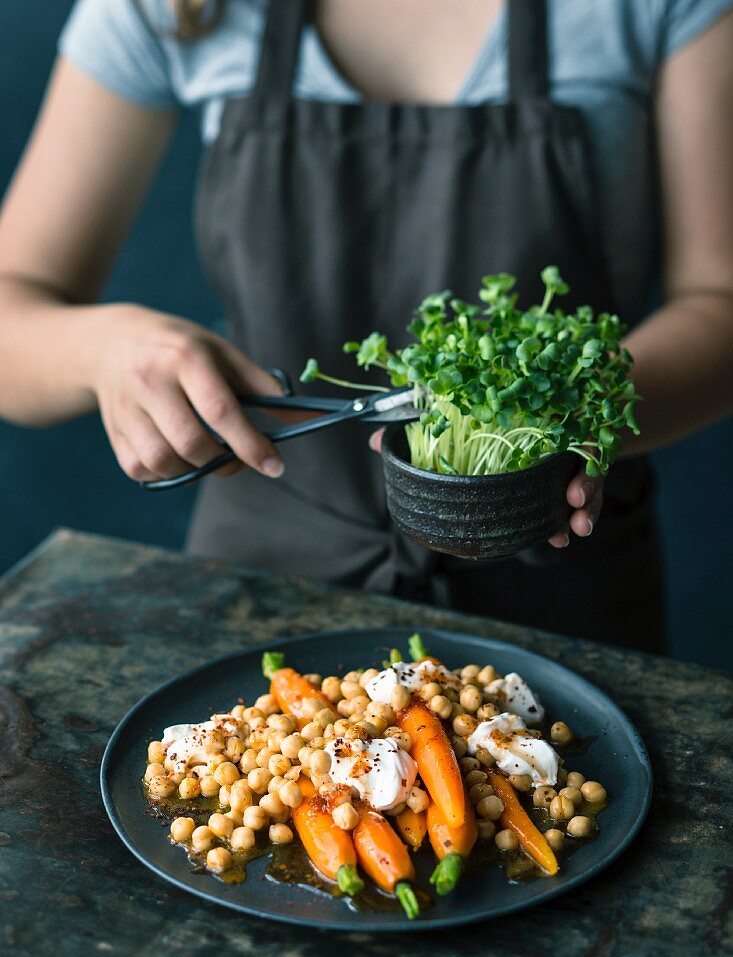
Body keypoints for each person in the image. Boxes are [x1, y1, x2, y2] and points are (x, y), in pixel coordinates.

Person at [0, 0, 731, 653]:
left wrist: (562, 418)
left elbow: (718, 298)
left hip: (560, 585)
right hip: (264, 580)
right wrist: (104, 347)